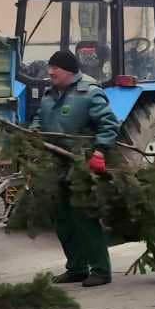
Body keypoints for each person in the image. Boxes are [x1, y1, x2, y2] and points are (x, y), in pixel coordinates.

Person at [36, 49, 120, 287]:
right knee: (62, 218)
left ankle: (100, 270)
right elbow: (39, 119)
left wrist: (100, 151)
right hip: (57, 164)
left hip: (82, 165)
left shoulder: (90, 93)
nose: (50, 72)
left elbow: (109, 125)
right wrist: (32, 132)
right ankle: (76, 267)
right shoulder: (49, 94)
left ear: (69, 71)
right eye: (49, 68)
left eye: (55, 69)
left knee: (84, 216)